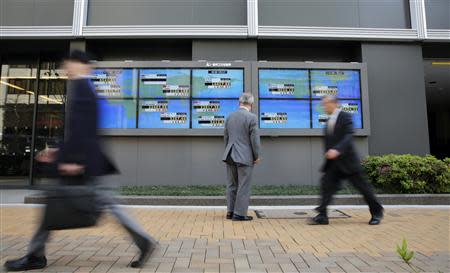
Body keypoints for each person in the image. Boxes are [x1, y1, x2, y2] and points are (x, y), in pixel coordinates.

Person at [4, 50, 157, 272]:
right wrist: (58, 152)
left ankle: (36, 255)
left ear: (82, 66)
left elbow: (84, 131)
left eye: (70, 64)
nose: (67, 69)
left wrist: (75, 161)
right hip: (89, 161)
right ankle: (143, 242)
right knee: (106, 204)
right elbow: (80, 131)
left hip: (84, 163)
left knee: (55, 203)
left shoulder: (83, 89)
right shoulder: (83, 89)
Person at [309, 95, 384, 225]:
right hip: (333, 165)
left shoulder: (345, 116)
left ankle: (377, 212)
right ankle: (322, 215)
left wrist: (337, 150)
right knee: (326, 186)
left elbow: (349, 136)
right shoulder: (327, 122)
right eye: (323, 104)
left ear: (334, 103)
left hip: (349, 162)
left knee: (363, 188)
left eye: (326, 104)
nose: (324, 106)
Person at [222, 93, 261, 221]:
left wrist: (227, 150)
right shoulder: (252, 118)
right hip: (245, 156)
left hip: (229, 154)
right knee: (243, 185)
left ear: (239, 103)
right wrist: (256, 155)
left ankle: (230, 211)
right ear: (251, 104)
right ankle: (239, 214)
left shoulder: (230, 116)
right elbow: (254, 140)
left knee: (231, 185)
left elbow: (226, 137)